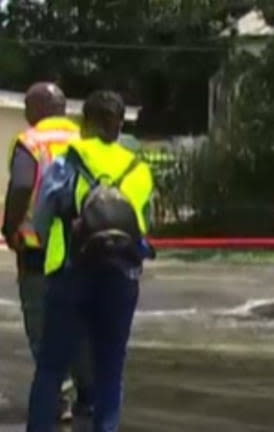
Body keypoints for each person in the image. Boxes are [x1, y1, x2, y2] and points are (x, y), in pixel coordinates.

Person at [25, 90, 154, 432]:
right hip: (121, 277)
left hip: (71, 273)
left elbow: (41, 218)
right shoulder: (138, 168)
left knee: (52, 367)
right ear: (119, 125)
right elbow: (144, 226)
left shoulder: (68, 161)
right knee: (111, 368)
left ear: (85, 124)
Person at [2, 82, 93, 422]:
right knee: (81, 324)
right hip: (84, 249)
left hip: (37, 250)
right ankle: (89, 394)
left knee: (43, 327)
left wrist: (9, 229)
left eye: (27, 107)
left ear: (36, 109)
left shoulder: (31, 142)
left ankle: (60, 398)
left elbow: (23, 185)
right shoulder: (87, 140)